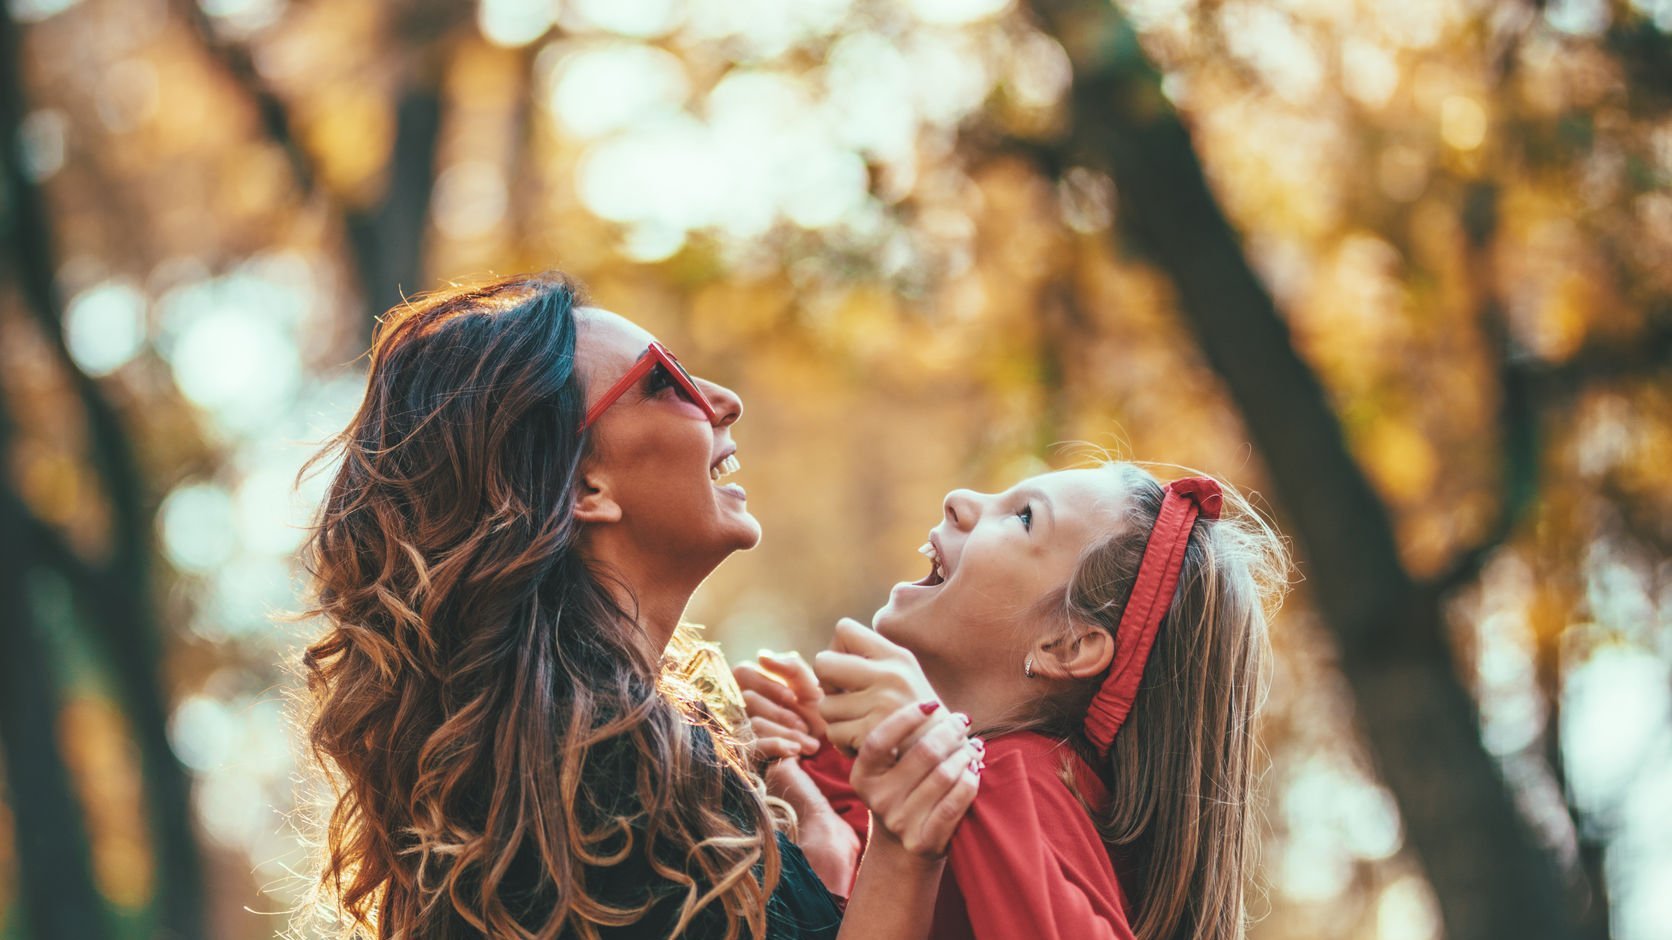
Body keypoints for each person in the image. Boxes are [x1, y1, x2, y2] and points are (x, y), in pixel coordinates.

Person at [296, 272, 978, 939]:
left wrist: (812, 857)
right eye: (665, 381)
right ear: (583, 487)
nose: (725, 399)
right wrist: (905, 844)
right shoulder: (600, 798)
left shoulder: (585, 772)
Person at [738, 464, 1290, 940]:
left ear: (1067, 645)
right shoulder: (1014, 800)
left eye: (1024, 517)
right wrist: (812, 773)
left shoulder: (1014, 779)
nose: (959, 501)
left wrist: (922, 746)